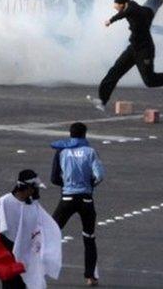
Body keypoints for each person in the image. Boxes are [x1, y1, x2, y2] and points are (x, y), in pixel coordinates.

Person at [88, 0, 163, 110]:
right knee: (115, 71)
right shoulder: (133, 7)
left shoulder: (132, 9)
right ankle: (102, 101)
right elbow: (143, 12)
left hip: (145, 50)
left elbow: (124, 13)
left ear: (123, 4)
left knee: (149, 81)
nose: (115, 6)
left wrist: (111, 20)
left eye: (116, 4)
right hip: (133, 48)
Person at [0, 169, 63, 289]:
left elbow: (45, 225)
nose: (35, 191)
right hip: (7, 254)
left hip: (26, 253)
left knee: (27, 283)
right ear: (26, 188)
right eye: (34, 188)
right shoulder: (5, 202)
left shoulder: (32, 205)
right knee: (11, 284)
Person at [50, 122, 105, 286]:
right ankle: (91, 276)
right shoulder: (90, 152)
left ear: (70, 134)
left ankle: (37, 265)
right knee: (89, 237)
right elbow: (100, 175)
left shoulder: (62, 151)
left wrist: (67, 183)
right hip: (86, 199)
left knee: (50, 231)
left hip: (67, 198)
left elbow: (54, 178)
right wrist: (90, 185)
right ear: (85, 135)